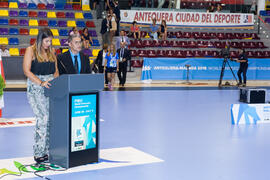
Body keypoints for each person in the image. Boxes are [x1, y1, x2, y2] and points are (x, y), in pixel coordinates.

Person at [23, 28, 59, 164]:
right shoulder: (30, 50)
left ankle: (46, 150)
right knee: (43, 118)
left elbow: (55, 71)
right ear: (40, 39)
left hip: (51, 88)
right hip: (36, 88)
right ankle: (38, 152)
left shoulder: (52, 51)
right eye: (46, 41)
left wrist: (57, 82)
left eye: (50, 41)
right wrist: (41, 82)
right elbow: (26, 71)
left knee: (51, 120)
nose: (49, 44)